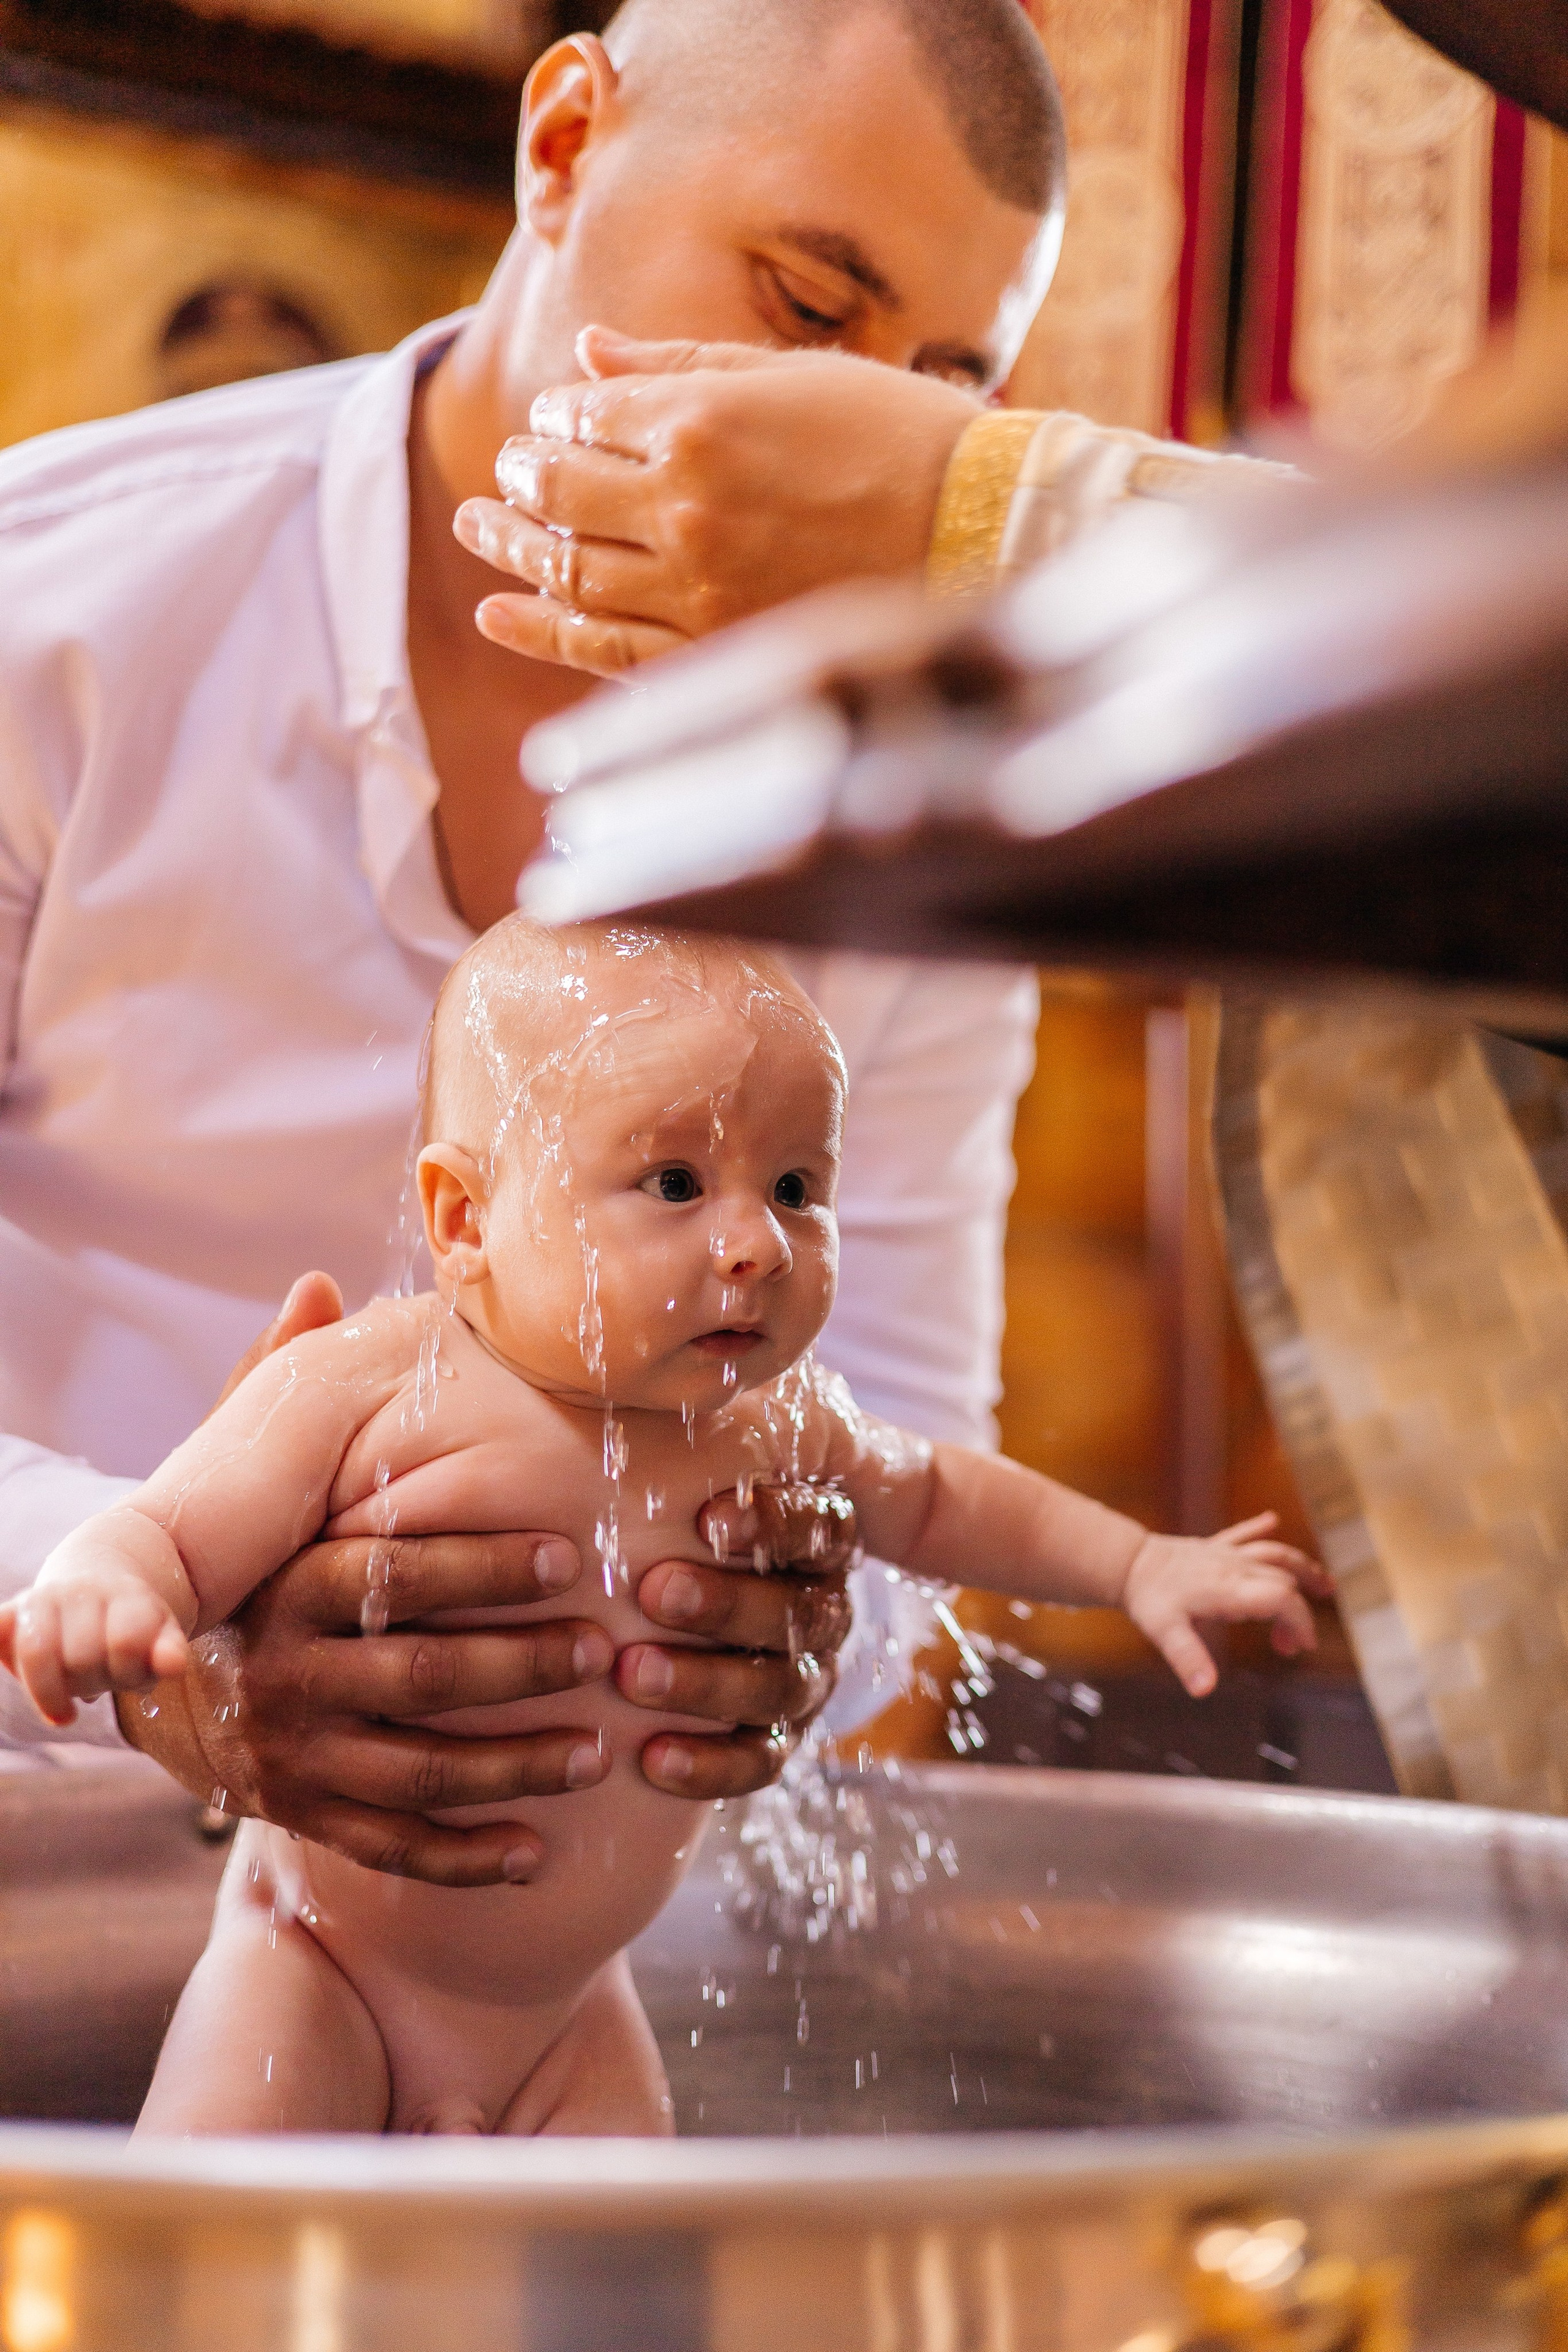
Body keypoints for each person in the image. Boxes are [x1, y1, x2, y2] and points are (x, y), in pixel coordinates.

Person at [0, 0, 1069, 1879]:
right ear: (563, 143)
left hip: (548, 1922)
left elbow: (894, 1407)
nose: (845, 441)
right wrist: (160, 1596)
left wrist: (759, 1617)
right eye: (810, 307)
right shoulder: (53, 623)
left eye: (935, 394)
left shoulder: (930, 816)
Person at [0, 919, 1325, 2136]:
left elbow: (934, 1496)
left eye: (799, 1186)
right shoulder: (375, 1383)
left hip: (569, 2018)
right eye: (677, 1182)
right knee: (220, 2274)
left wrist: (1140, 1562)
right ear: (464, 1220)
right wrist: (97, 1591)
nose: (755, 1243)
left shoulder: (776, 1422)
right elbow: (167, 1537)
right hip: (318, 1970)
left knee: (621, 2303)